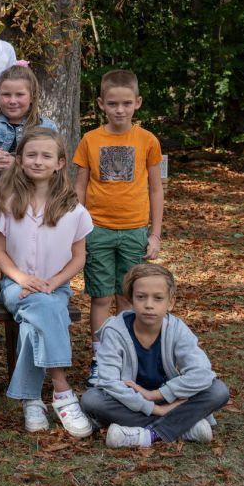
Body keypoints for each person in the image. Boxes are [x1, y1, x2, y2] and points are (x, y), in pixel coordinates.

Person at [0, 128, 93, 438]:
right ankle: (62, 389)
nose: (38, 161)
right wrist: (21, 278)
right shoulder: (8, 203)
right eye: (31, 155)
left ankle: (31, 399)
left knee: (34, 323)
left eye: (46, 156)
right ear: (19, 160)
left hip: (56, 287)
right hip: (15, 287)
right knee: (42, 307)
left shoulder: (74, 209)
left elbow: (79, 257)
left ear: (59, 163)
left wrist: (53, 282)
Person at [74, 69, 164, 386]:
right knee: (100, 297)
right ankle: (100, 360)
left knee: (127, 298)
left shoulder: (147, 140)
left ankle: (125, 359)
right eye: (112, 104)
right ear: (101, 104)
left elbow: (156, 189)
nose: (120, 110)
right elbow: (80, 188)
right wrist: (77, 230)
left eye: (126, 103)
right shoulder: (90, 140)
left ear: (137, 103)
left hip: (135, 230)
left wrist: (154, 234)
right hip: (97, 230)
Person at [80, 264, 230, 448]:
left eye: (158, 298)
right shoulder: (114, 330)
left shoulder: (177, 329)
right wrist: (156, 409)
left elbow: (203, 373)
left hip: (169, 396)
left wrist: (155, 395)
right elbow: (109, 382)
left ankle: (146, 435)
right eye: (141, 297)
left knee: (218, 391)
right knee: (92, 400)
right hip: (129, 399)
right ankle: (183, 427)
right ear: (131, 299)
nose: (149, 305)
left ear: (170, 302)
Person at [0, 64, 57, 208]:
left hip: (31, 191)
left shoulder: (45, 127)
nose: (12, 101)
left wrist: (19, 164)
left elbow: (54, 166)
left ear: (32, 97)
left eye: (19, 95)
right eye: (6, 95)